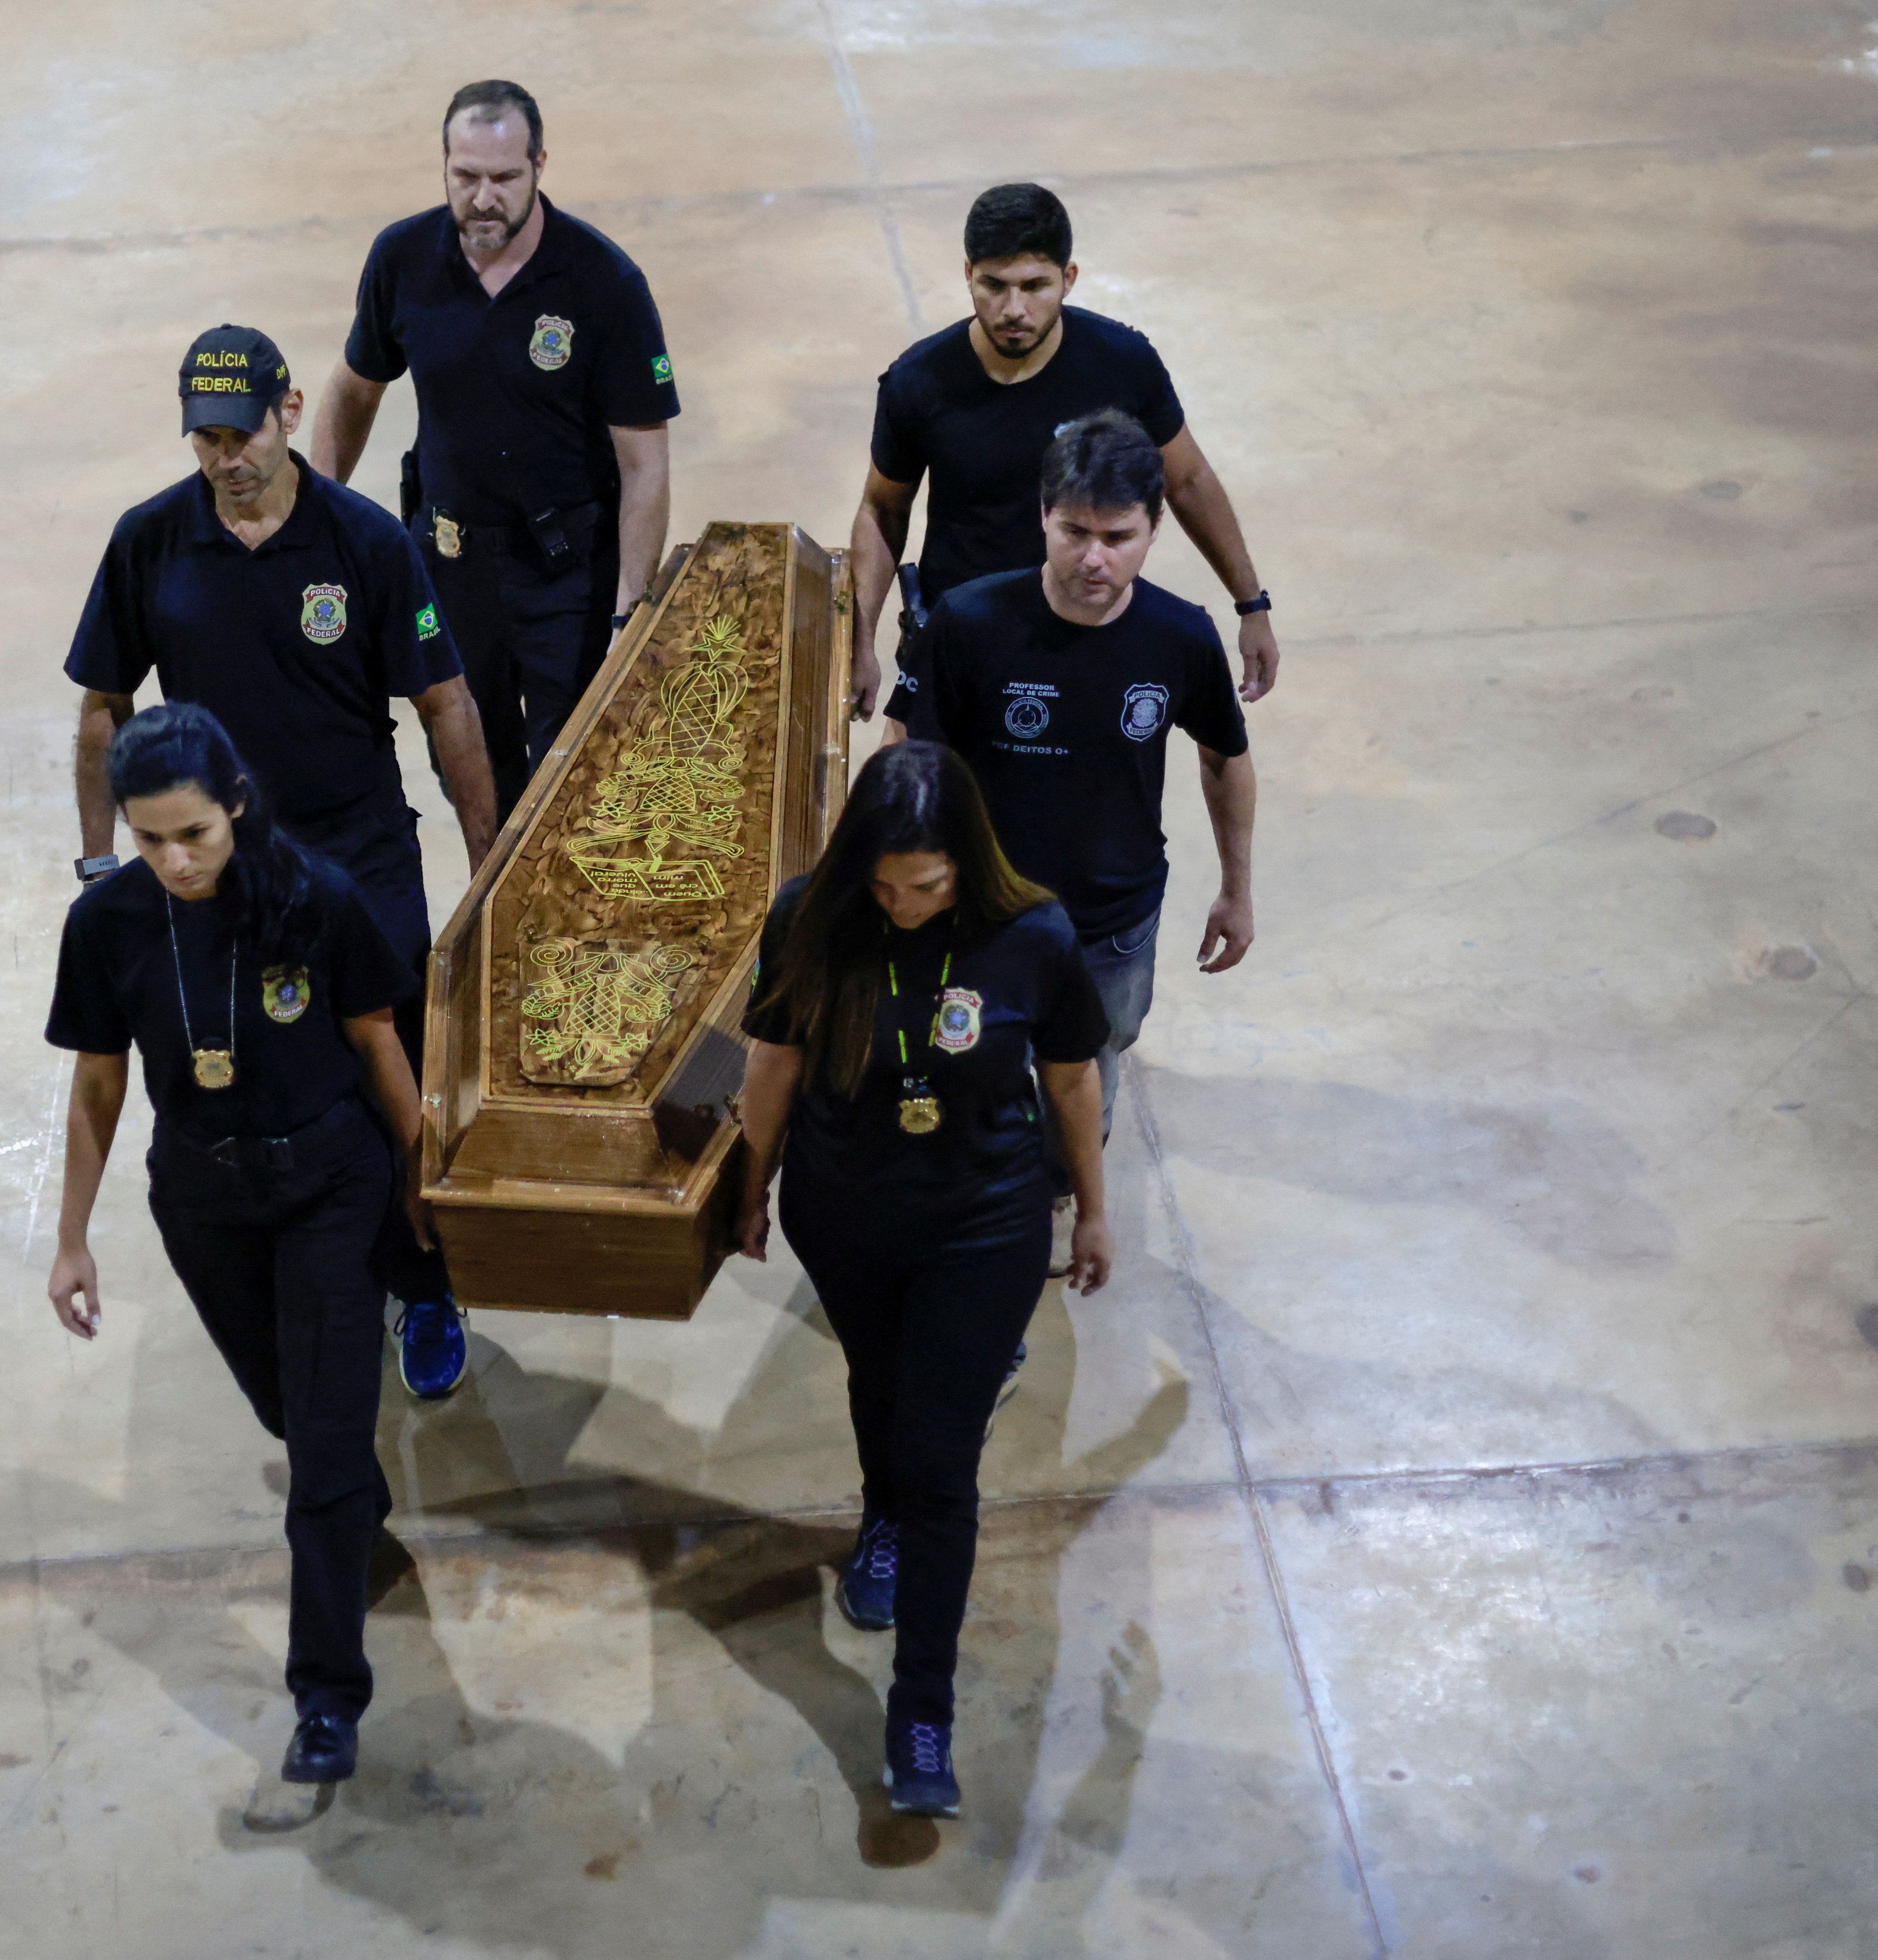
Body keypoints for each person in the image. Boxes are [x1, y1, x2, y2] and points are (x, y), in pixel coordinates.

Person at [65, 321, 491, 1397]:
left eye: (240, 433)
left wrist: (491, 864)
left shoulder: (362, 545)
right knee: (259, 1078)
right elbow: (104, 708)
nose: (225, 459)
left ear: (289, 412)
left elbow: (444, 705)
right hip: (219, 874)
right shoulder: (149, 542)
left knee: (381, 1075)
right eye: (204, 440)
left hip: (359, 855)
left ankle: (426, 1279)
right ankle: (305, 1264)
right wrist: (97, 862)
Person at [45, 703, 432, 1789]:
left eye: (194, 835)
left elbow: (375, 1039)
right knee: (286, 1408)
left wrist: (422, 1178)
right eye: (148, 836)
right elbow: (97, 1080)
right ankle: (352, 1489)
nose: (171, 860)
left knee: (315, 1444)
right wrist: (71, 1238)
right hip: (203, 1198)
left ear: (236, 810)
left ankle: (324, 1700)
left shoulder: (314, 899)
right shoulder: (109, 924)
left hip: (327, 1187)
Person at [735, 740, 1113, 1818]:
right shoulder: (811, 917)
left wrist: (1091, 1206)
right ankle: (879, 1518)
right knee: (880, 1383)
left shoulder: (1029, 934)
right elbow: (772, 1061)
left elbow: (1072, 1077)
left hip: (980, 1223)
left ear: (967, 868)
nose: (901, 905)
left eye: (928, 887)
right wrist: (748, 1189)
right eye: (884, 885)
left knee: (943, 1465)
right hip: (843, 1212)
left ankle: (920, 1710)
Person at [886, 406, 1257, 1268]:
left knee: (1090, 1066)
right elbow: (911, 759)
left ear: (1154, 529)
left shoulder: (1179, 639)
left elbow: (1224, 759)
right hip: (982, 918)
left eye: (1120, 536)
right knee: (968, 1067)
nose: (1096, 558)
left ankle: (1060, 1189)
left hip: (1111, 922)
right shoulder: (971, 625)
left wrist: (1237, 888)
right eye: (1076, 531)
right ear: (1042, 519)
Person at [311, 79, 680, 816]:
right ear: (443, 165)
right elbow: (354, 390)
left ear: (541, 164)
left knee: (573, 779)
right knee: (468, 766)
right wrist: (319, 522)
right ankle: (491, 915)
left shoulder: (602, 282)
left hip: (566, 575)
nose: (485, 199)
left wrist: (631, 612)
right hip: (447, 569)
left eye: (506, 178)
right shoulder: (402, 260)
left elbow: (645, 464)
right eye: (466, 177)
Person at [847, 182, 1281, 721]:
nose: (1013, 308)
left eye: (1035, 286)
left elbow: (1187, 481)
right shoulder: (919, 381)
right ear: (967, 275)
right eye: (993, 285)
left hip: (1087, 637)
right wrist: (859, 636)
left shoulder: (1121, 365)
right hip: (958, 641)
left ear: (1068, 279)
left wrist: (1251, 606)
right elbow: (882, 508)